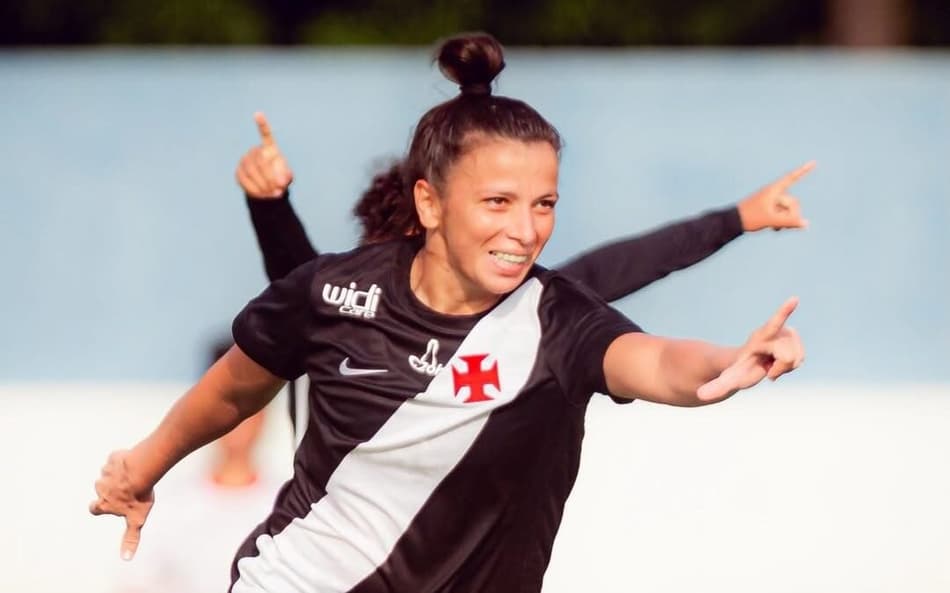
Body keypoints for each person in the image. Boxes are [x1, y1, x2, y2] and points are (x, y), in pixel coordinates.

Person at [91, 32, 806, 593]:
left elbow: (651, 356)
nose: (524, 230)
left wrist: (724, 362)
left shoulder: (552, 319)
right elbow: (236, 381)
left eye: (544, 204)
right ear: (429, 205)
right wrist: (140, 469)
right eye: (497, 202)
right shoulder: (335, 292)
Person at [237, 113, 811, 440]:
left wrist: (737, 218)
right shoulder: (336, 305)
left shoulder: (522, 313)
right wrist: (269, 204)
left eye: (541, 204)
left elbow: (617, 268)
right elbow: (297, 274)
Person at [112, 341, 285, 593]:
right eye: (229, 401)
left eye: (251, 403)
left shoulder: (290, 508)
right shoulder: (167, 506)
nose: (239, 417)